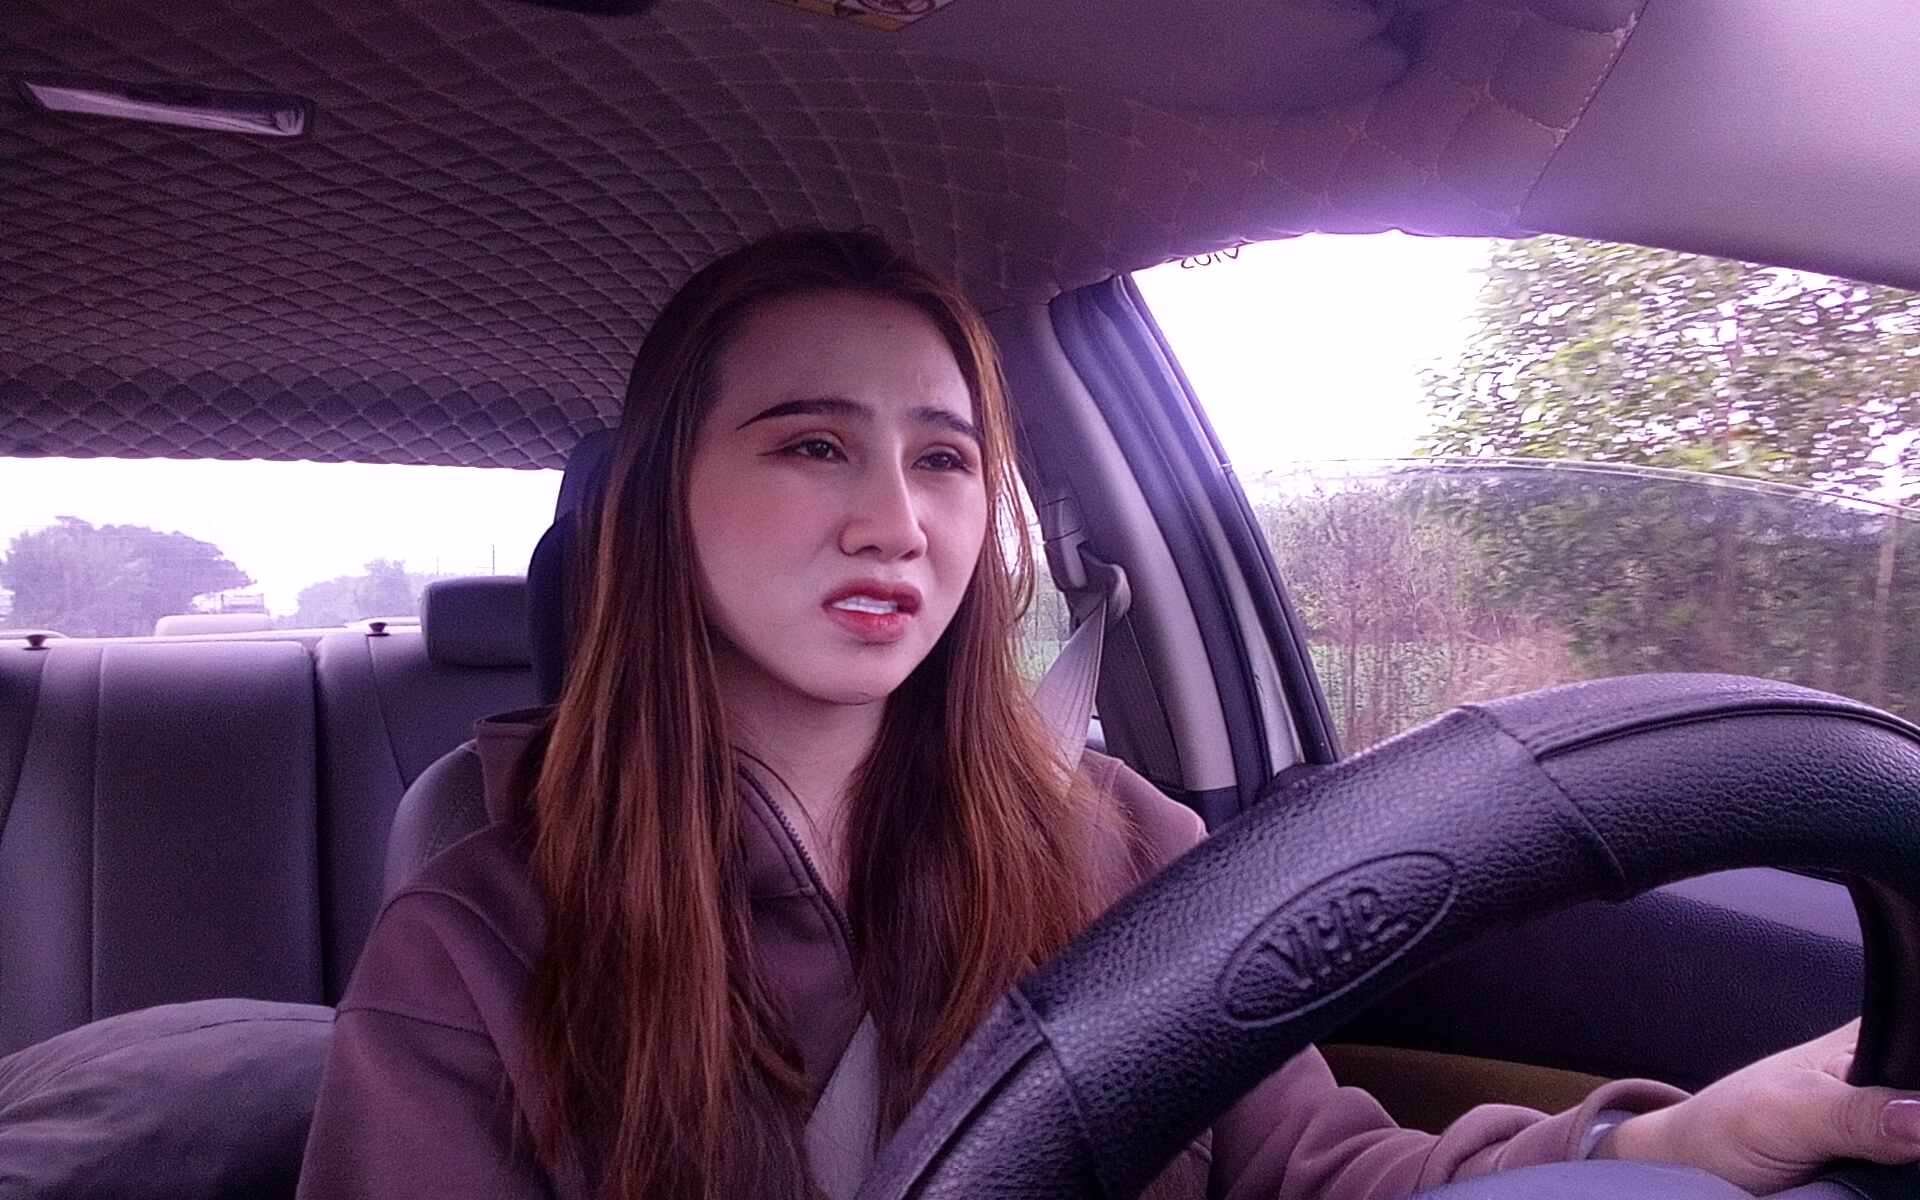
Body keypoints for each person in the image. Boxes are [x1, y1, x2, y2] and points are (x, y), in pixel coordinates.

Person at [296, 228, 1920, 1200]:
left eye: (944, 460)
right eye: (811, 445)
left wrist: (1685, 1143)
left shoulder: (1121, 842)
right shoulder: (476, 948)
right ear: (659, 508)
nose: (897, 522)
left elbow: (1329, 1181)